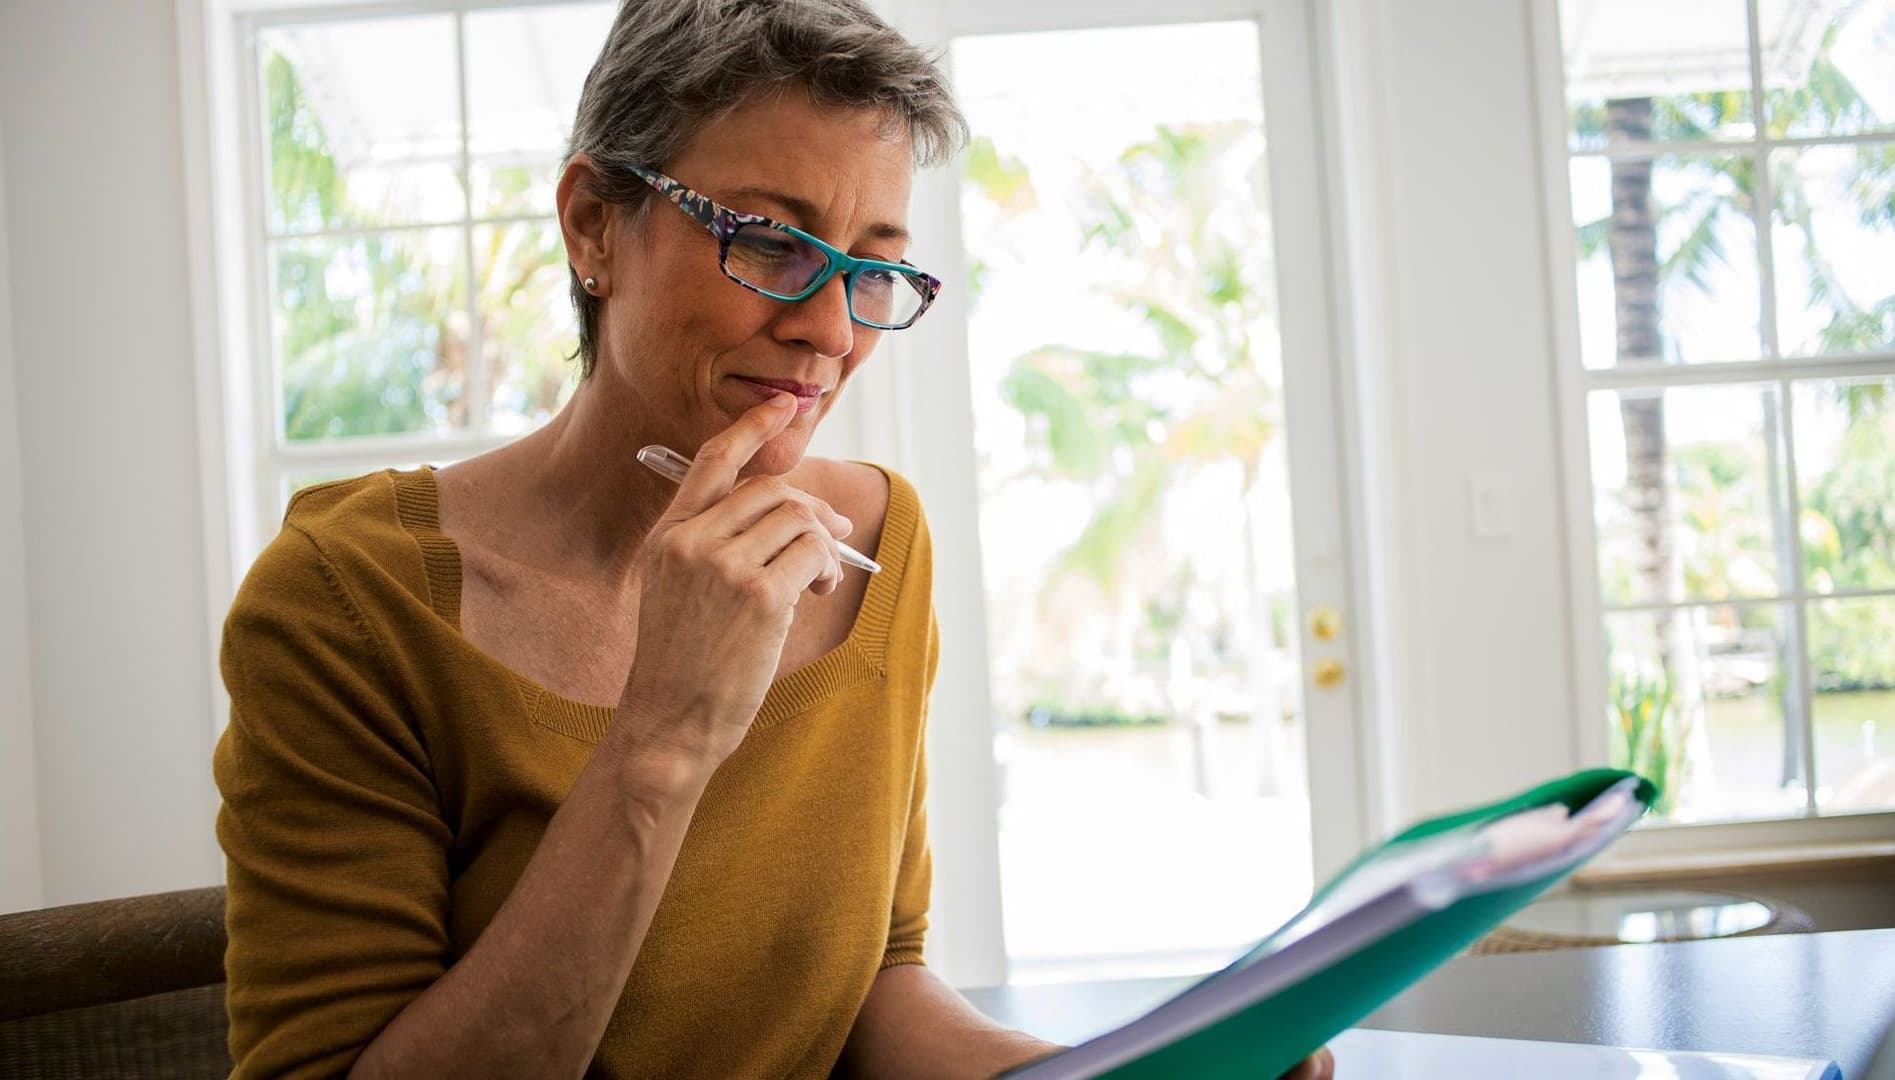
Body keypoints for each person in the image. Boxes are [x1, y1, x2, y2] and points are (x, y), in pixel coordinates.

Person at [213, 1, 1336, 1077]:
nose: (833, 333)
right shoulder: (346, 602)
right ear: (593, 224)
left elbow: (875, 995)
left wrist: (1116, 1077)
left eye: (874, 265)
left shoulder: (877, 545)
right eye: (771, 243)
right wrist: (662, 739)